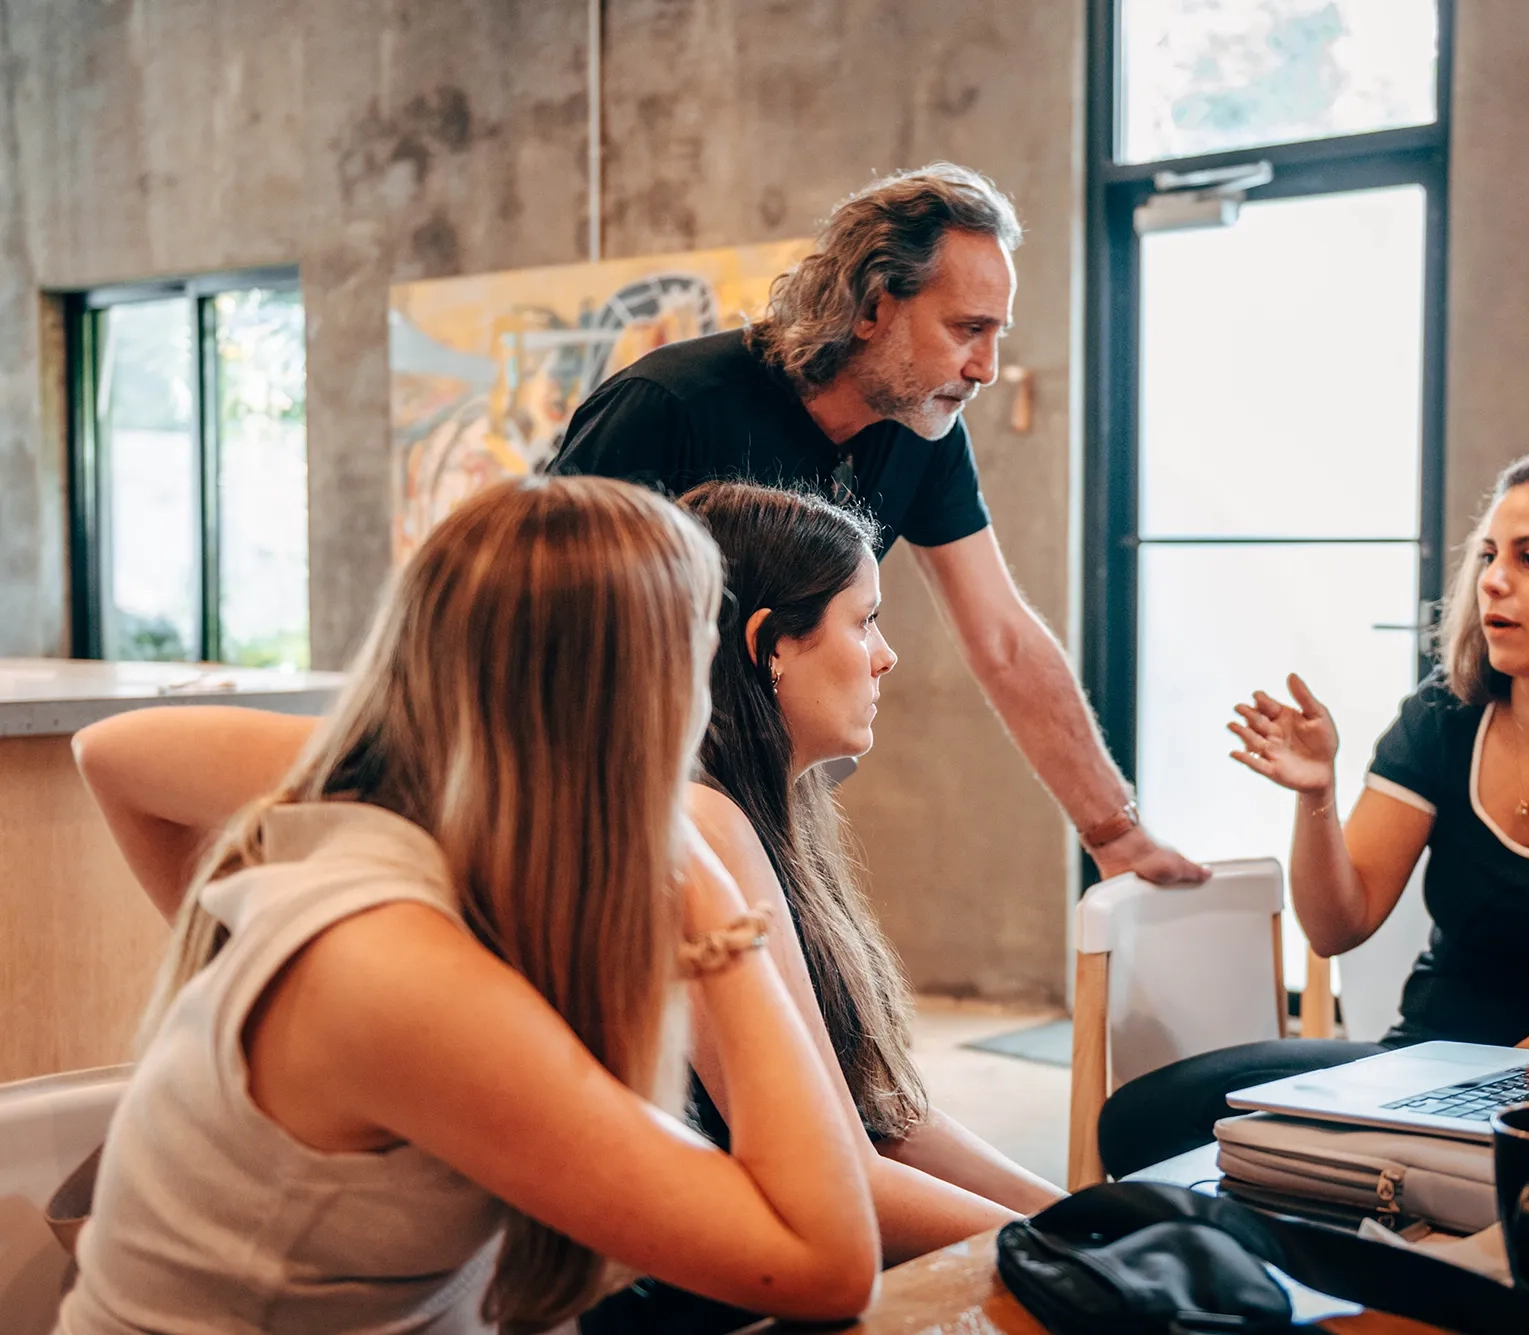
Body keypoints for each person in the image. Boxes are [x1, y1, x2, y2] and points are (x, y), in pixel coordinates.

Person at [60, 476, 879, 1334]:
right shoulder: (393, 972)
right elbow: (826, 1260)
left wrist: (465, 759)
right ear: (636, 708)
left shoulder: (434, 854)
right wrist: (712, 906)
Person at [1094, 453, 1529, 1178]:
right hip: (1425, 1074)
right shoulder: (1445, 720)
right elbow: (1335, 927)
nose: (1494, 580)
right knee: (1147, 1117)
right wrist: (1316, 795)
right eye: (1489, 556)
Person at [549, 162, 1203, 886]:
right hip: (611, 807)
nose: (986, 367)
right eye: (967, 329)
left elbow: (1004, 638)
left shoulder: (925, 436)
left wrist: (1116, 834)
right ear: (872, 308)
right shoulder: (667, 405)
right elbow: (546, 630)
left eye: (997, 335)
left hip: (767, 800)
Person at [584, 480, 1066, 1330]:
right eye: (865, 620)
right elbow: (846, 1169)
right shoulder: (703, 820)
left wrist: (1073, 1214)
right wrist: (1072, 1250)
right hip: (685, 1292)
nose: (886, 656)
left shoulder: (775, 804)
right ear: (769, 643)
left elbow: (882, 1118)